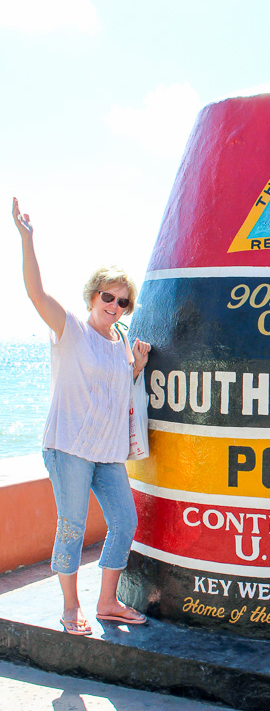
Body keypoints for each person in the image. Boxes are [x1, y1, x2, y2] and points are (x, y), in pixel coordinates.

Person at [12, 196, 151, 635]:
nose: (114, 304)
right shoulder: (70, 329)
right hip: (69, 448)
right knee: (71, 527)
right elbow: (35, 293)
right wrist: (27, 240)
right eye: (107, 296)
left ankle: (107, 602)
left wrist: (136, 368)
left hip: (108, 454)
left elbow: (114, 388)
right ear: (92, 296)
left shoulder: (119, 346)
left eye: (123, 301)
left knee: (124, 522)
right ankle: (71, 607)